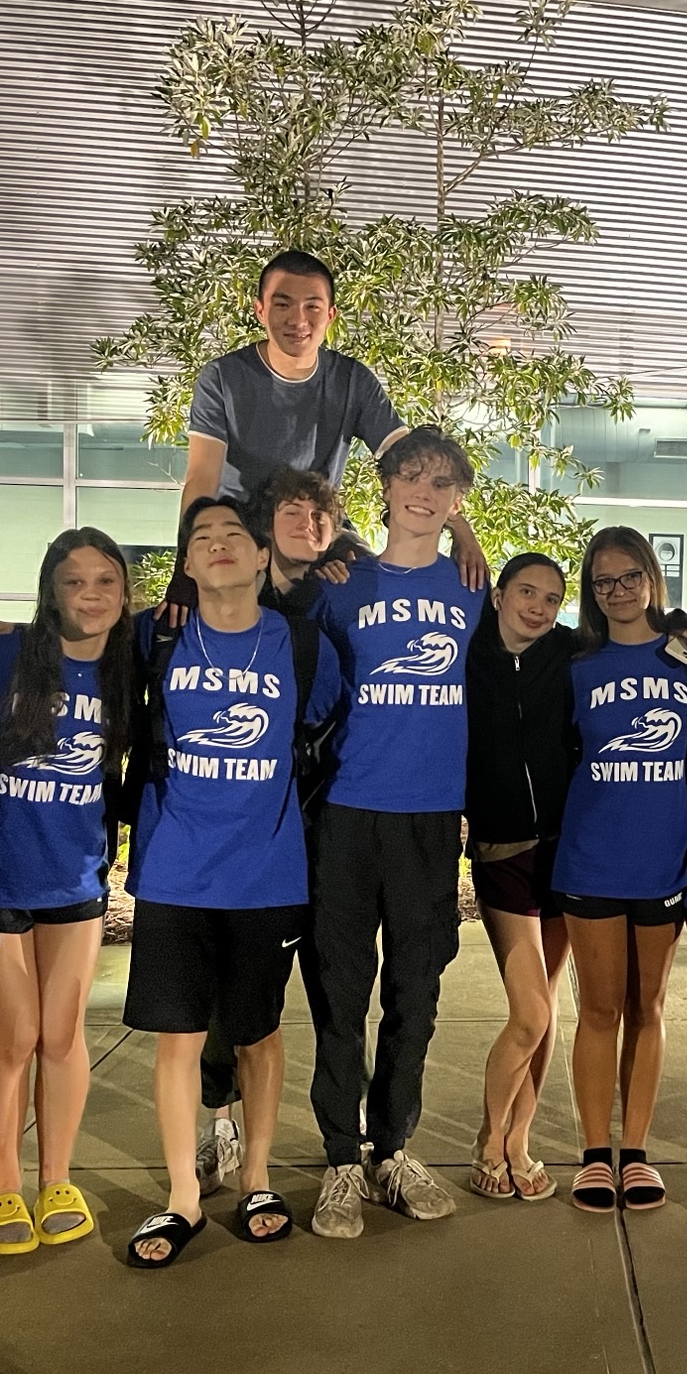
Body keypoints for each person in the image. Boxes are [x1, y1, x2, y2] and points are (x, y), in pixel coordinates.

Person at [119, 497, 341, 1268]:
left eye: (233, 536)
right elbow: (70, 643)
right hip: (175, 873)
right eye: (201, 537)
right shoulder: (157, 636)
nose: (217, 545)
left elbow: (323, 730)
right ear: (186, 563)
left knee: (258, 1032)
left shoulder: (302, 644)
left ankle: (255, 1178)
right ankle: (182, 1195)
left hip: (267, 872)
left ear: (259, 559)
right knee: (179, 1041)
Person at [308, 426, 485, 1237]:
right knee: (340, 993)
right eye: (411, 475)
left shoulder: (474, 585)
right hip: (345, 812)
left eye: (443, 483)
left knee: (416, 993)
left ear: (457, 501)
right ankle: (342, 1156)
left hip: (427, 817)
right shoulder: (339, 582)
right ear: (384, 487)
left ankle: (393, 1149)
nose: (425, 491)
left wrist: (469, 539)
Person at [192, 466, 374, 1200]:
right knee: (223, 997)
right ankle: (219, 1120)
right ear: (262, 530)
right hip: (239, 828)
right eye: (290, 511)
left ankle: (346, 1143)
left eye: (320, 512)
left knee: (339, 990)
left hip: (327, 820)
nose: (307, 522)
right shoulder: (223, 599)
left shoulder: (347, 590)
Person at [0, 528, 137, 1256]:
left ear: (124, 594)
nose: (91, 595)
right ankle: (3, 1184)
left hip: (76, 877)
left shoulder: (133, 664)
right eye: (74, 582)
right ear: (50, 591)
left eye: (106, 581)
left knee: (63, 1036)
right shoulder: (4, 658)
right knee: (16, 1037)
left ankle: (56, 1179)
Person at [555, 526, 687, 1214]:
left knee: (648, 1008)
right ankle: (594, 1154)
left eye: (628, 577)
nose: (617, 592)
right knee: (599, 1007)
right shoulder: (577, 665)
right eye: (602, 582)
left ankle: (635, 1152)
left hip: (664, 859)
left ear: (651, 577)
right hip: (591, 856)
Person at [464, 553, 579, 1203]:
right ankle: (488, 1137)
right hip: (502, 853)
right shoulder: (466, 649)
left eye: (551, 597)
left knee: (548, 1010)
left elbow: (643, 629)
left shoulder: (567, 651)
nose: (538, 606)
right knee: (529, 1011)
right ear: (500, 594)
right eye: (526, 592)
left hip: (566, 853)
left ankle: (519, 1142)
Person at [181, 249, 409, 517]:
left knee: (366, 559)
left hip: (317, 528)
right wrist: (190, 550)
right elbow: (201, 478)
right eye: (282, 304)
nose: (299, 320)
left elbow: (409, 459)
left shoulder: (352, 380)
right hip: (243, 529)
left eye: (312, 306)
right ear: (260, 310)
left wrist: (459, 526)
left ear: (330, 315)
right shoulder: (222, 377)